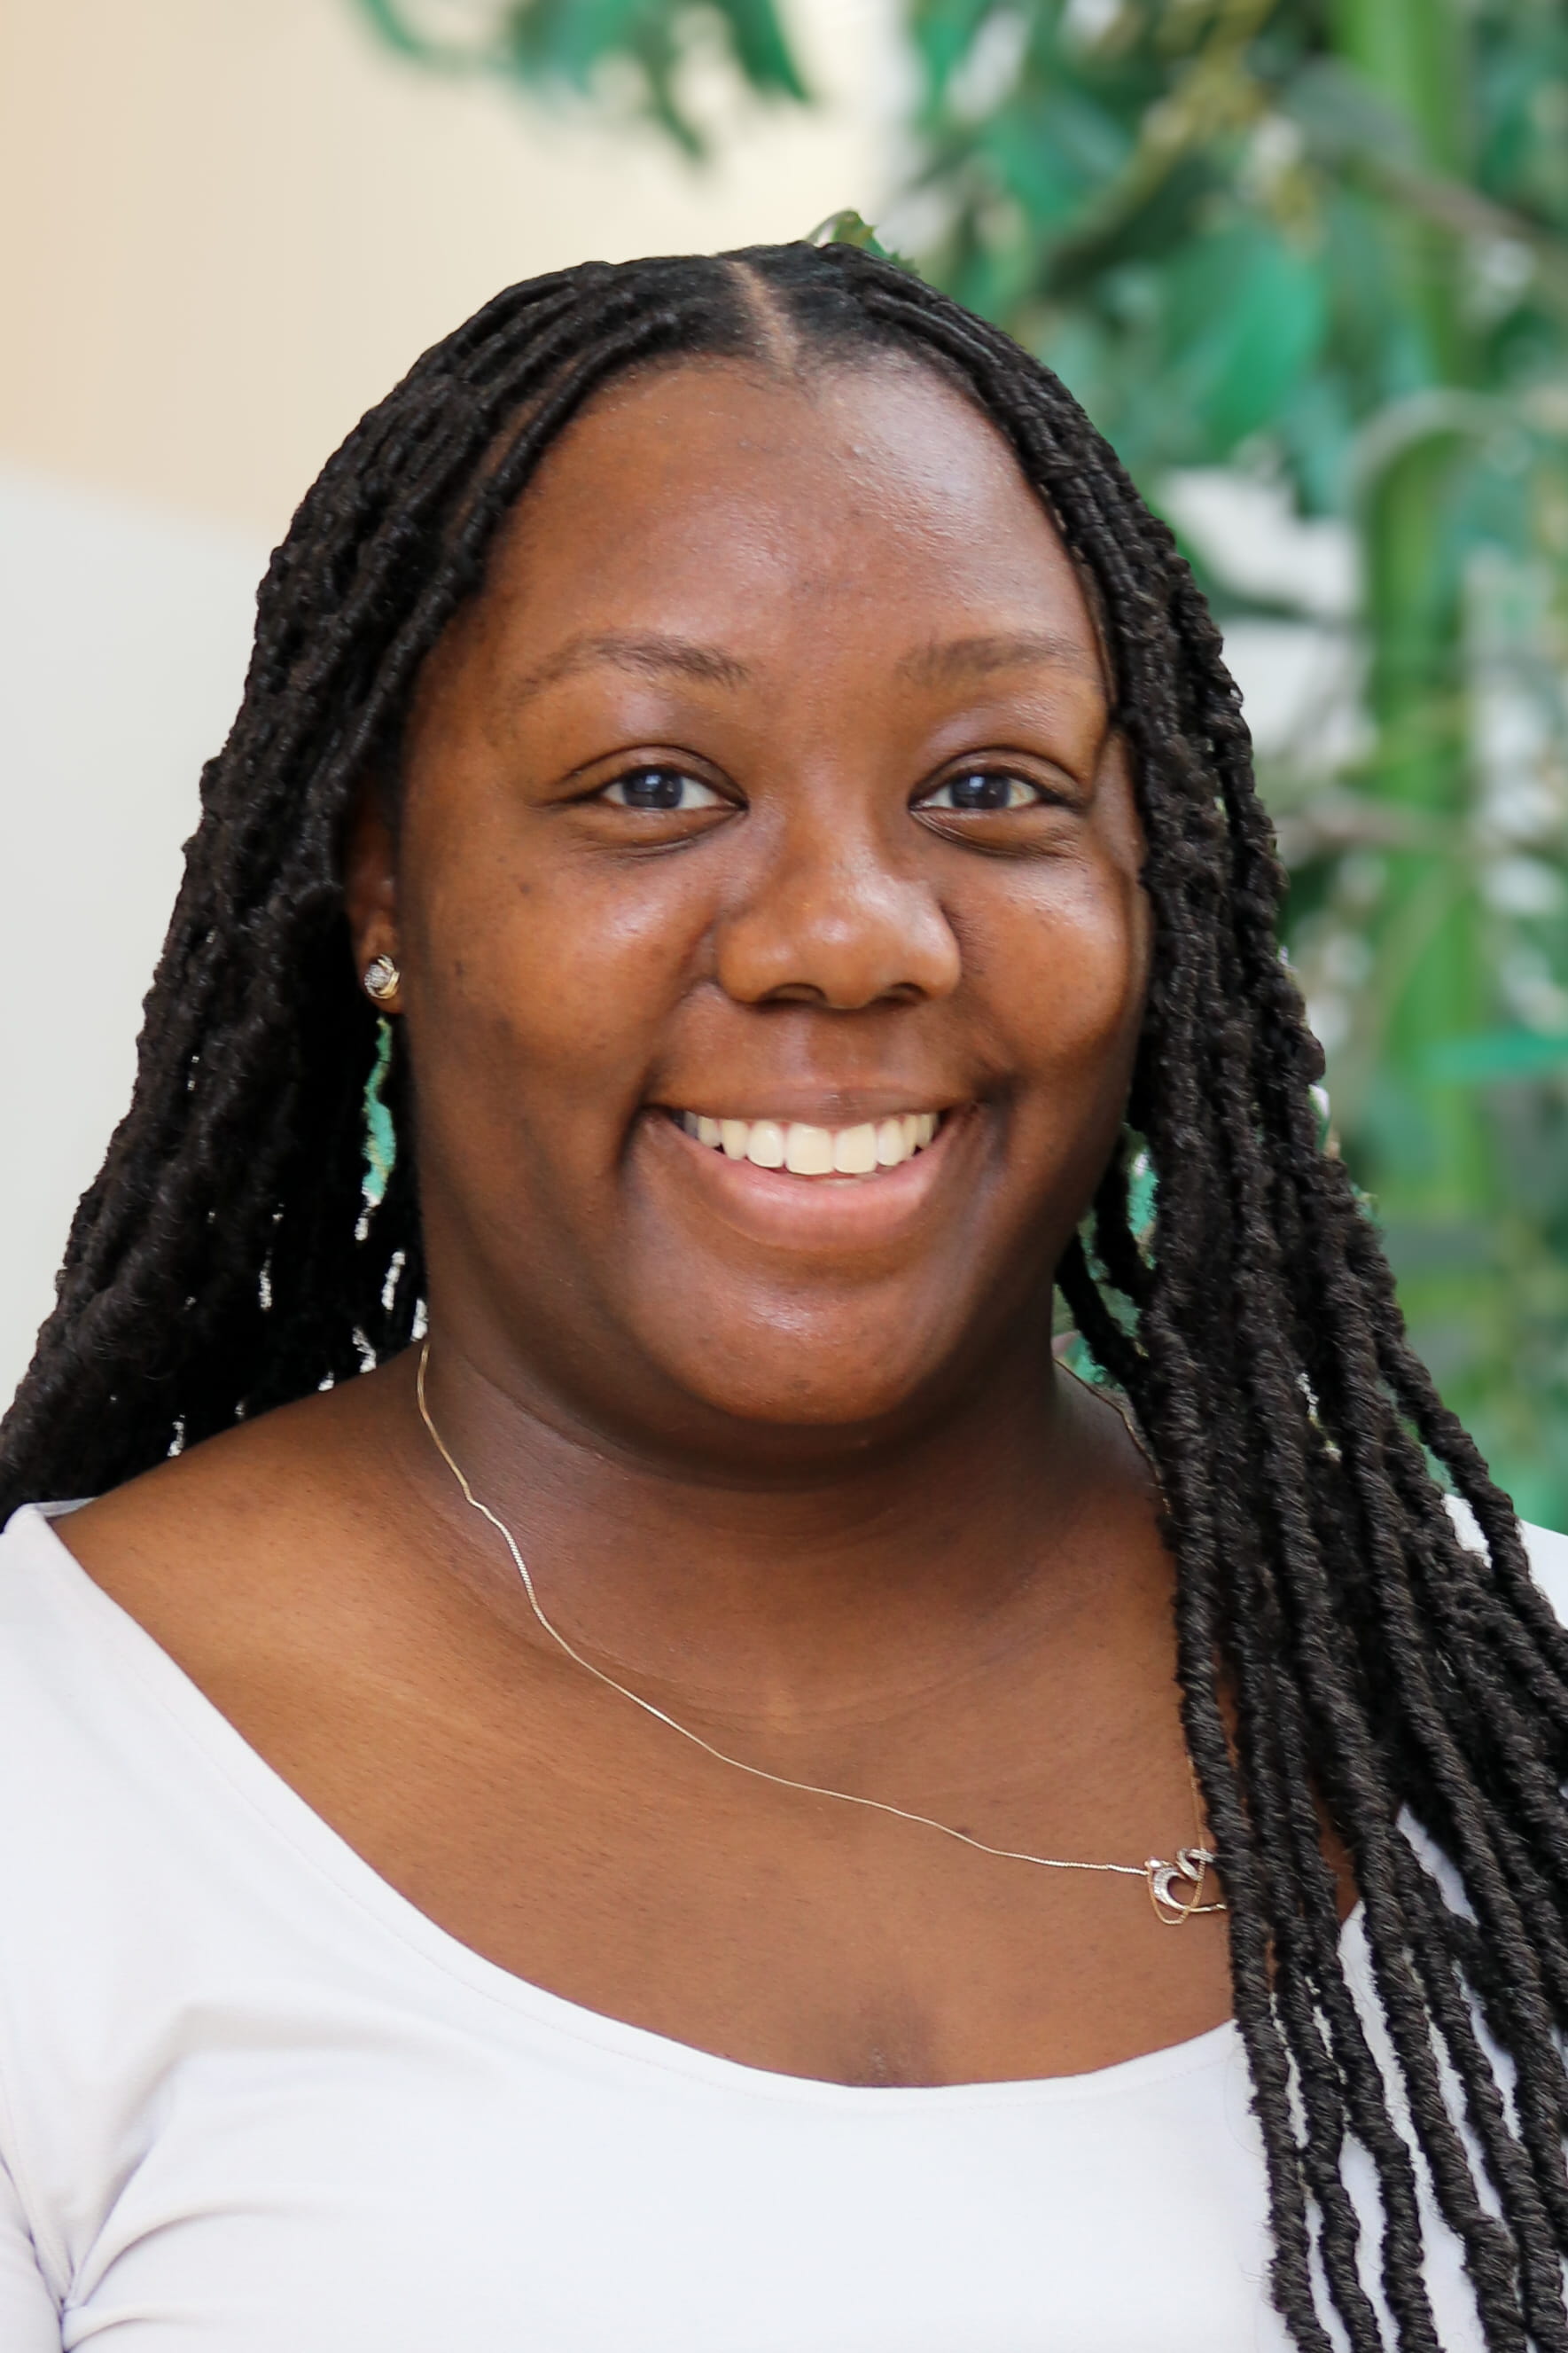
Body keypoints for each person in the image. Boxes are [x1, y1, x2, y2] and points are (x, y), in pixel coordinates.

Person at [0, 240, 1564, 2353]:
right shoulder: (55, 1778)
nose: (849, 934)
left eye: (991, 788)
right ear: (382, 878)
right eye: (654, 784)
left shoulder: (1517, 1721)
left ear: (1159, 889)